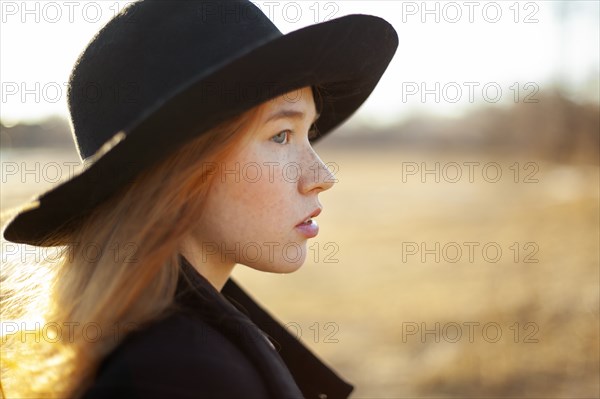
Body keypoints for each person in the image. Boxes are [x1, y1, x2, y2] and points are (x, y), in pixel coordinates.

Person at [0, 1, 397, 398]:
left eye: (306, 133)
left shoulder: (164, 345)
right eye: (280, 135)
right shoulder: (184, 375)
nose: (321, 178)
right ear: (181, 170)